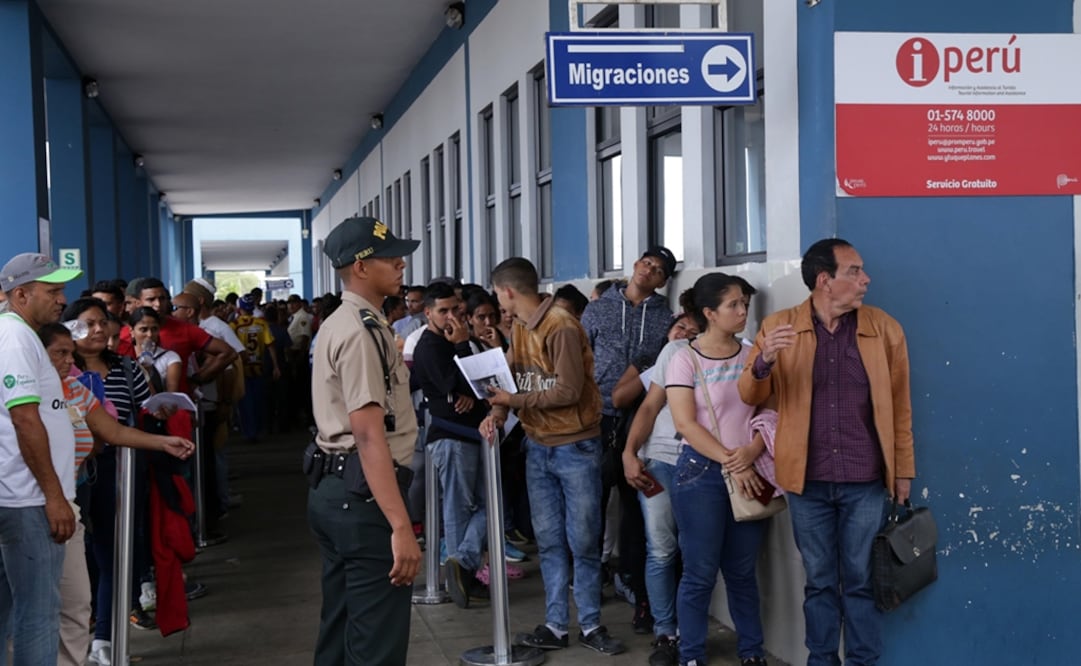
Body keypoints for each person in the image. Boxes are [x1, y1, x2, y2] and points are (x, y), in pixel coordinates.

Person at [738, 238, 916, 666]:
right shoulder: (780, 327)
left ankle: (861, 661)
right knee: (819, 581)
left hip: (865, 481)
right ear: (825, 280)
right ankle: (821, 660)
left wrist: (904, 472)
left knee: (860, 580)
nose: (865, 279)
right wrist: (764, 361)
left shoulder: (884, 329)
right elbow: (749, 394)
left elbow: (900, 405)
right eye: (855, 271)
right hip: (806, 480)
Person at [480, 257, 625, 656]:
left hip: (575, 447)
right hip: (538, 445)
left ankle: (591, 624)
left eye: (497, 294)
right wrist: (497, 412)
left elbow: (568, 391)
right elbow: (508, 378)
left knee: (583, 540)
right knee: (548, 541)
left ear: (507, 291)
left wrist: (513, 400)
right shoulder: (521, 328)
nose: (498, 302)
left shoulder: (560, 325)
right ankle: (557, 624)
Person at [39, 322, 194, 666]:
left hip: (70, 505)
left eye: (70, 352)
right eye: (59, 353)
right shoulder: (21, 395)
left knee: (77, 604)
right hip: (32, 508)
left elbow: (113, 430)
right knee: (33, 607)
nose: (68, 360)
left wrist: (163, 442)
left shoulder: (75, 390)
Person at [307, 216, 422, 665]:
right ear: (359, 267)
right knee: (377, 646)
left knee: (338, 634)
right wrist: (400, 526)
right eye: (388, 257)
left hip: (336, 489)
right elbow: (370, 434)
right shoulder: (360, 331)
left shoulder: (344, 321)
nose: (400, 263)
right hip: (364, 496)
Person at [666, 273, 773, 666]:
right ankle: (690, 654)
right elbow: (685, 424)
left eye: (744, 303)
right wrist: (733, 460)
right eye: (734, 305)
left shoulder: (752, 356)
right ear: (709, 313)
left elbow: (769, 412)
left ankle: (752, 652)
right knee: (699, 573)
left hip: (752, 468)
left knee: (742, 572)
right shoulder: (684, 359)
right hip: (702, 475)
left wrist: (752, 452)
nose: (743, 311)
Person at [580, 245, 677, 633]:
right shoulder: (600, 307)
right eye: (646, 263)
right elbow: (580, 352)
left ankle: (636, 588)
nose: (648, 271)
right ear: (636, 265)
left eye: (657, 270)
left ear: (663, 280)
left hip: (639, 419)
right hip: (596, 417)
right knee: (593, 504)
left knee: (637, 510)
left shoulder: (664, 316)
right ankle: (588, 588)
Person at [0, 252, 81, 665]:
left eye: (62, 290)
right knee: (37, 615)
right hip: (28, 498)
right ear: (20, 294)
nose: (61, 299)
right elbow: (25, 419)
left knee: (10, 611)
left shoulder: (20, 334)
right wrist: (53, 496)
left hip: (19, 495)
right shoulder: (14, 338)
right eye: (52, 291)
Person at [619, 312, 700, 666]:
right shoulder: (672, 353)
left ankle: (690, 633)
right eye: (681, 327)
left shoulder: (738, 353)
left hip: (703, 463)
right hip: (661, 461)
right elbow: (649, 406)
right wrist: (630, 452)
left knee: (696, 554)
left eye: (694, 331)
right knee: (661, 551)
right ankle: (665, 632)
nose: (686, 334)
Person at [410, 282, 491, 608]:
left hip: (476, 435)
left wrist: (471, 391)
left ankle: (464, 565)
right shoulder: (430, 346)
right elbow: (456, 383)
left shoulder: (464, 339)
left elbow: (484, 381)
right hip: (452, 439)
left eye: (455, 310)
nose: (450, 317)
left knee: (493, 506)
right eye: (442, 311)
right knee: (458, 510)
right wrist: (460, 351)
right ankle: (462, 577)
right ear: (428, 312)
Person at [231, 294, 280, 441]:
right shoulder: (262, 324)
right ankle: (259, 430)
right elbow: (270, 346)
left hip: (241, 369)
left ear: (239, 308)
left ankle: (248, 432)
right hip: (259, 366)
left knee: (245, 402)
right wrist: (276, 366)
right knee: (259, 400)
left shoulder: (234, 325)